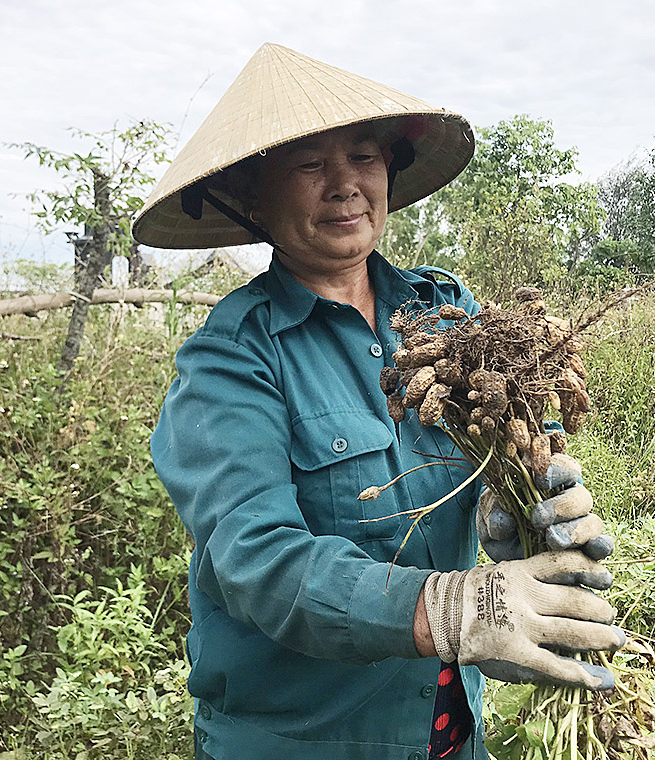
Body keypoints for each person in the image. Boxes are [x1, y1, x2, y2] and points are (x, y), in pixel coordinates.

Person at [133, 43, 624, 760]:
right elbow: (256, 560)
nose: (345, 186)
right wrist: (446, 609)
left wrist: (524, 508)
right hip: (304, 741)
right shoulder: (230, 358)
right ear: (252, 197)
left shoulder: (446, 311)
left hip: (450, 732)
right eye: (309, 166)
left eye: (364, 157)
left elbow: (522, 429)